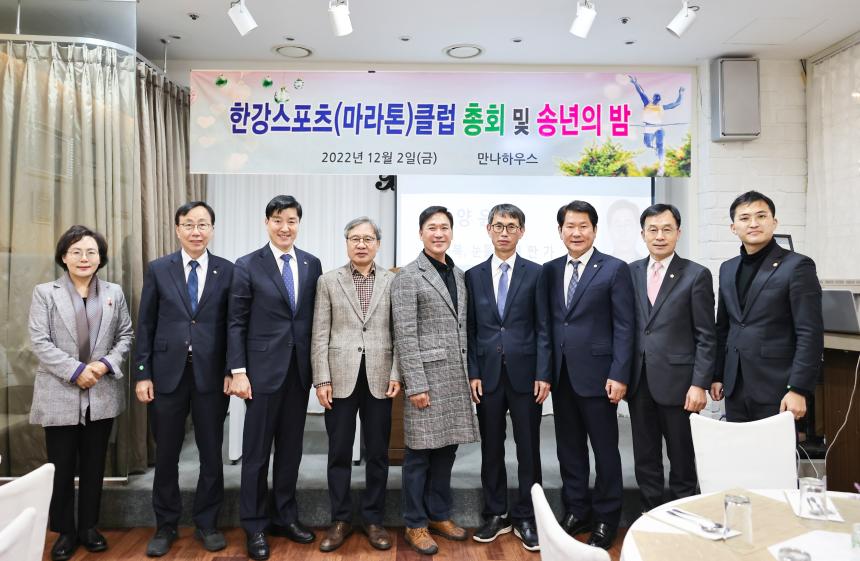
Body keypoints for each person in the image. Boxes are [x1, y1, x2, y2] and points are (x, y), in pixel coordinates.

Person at [134, 202, 234, 556]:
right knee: (167, 455)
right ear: (177, 229)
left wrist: (232, 370)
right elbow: (145, 324)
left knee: (211, 454)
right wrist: (143, 373)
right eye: (189, 224)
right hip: (166, 375)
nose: (196, 231)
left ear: (212, 230)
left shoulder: (228, 271)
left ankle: (207, 523)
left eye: (203, 224)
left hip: (211, 376)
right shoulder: (159, 269)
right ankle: (166, 525)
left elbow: (233, 326)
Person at [28, 225, 133, 561]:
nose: (84, 258)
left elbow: (126, 335)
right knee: (60, 467)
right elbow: (39, 341)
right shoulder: (45, 293)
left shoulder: (114, 292)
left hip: (101, 392)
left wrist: (103, 365)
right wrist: (76, 371)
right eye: (76, 252)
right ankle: (65, 531)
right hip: (60, 391)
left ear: (100, 258)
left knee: (93, 464)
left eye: (91, 252)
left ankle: (88, 527)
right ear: (64, 257)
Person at [228, 195, 323, 561]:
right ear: (267, 223)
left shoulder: (311, 263)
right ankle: (254, 525)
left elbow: (312, 319)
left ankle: (285, 517)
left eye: (292, 220)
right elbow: (236, 322)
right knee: (255, 455)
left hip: (298, 373)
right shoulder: (247, 264)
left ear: (299, 224)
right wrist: (239, 371)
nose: (285, 227)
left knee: (290, 451)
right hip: (261, 374)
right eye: (278, 220)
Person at [539, 200, 634, 550]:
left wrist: (619, 374)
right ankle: (577, 510)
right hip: (563, 376)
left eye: (583, 226)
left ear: (594, 230)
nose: (576, 232)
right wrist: (545, 371)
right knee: (569, 449)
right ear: (560, 230)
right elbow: (549, 325)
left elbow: (625, 326)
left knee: (605, 451)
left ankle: (606, 517)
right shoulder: (550, 270)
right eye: (570, 226)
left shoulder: (614, 268)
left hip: (600, 377)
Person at [391, 205, 480, 556]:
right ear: (421, 233)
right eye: (432, 227)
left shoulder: (459, 274)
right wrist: (416, 384)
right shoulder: (408, 276)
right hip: (426, 380)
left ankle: (439, 513)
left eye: (444, 227)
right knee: (418, 456)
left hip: (455, 378)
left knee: (446, 452)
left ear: (452, 232)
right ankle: (415, 523)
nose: (439, 233)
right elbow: (405, 334)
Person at [311, 217, 401, 552]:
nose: (361, 244)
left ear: (378, 243)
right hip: (340, 378)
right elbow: (319, 333)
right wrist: (321, 378)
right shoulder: (328, 281)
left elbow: (399, 332)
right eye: (355, 239)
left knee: (378, 453)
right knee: (338, 452)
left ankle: (374, 519)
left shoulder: (393, 282)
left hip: (380, 377)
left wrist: (396, 373)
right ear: (347, 242)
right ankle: (340, 519)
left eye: (368, 238)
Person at [466, 203, 550, 551]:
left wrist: (544, 372)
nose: (504, 232)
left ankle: (527, 516)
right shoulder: (473, 275)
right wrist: (472, 371)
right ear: (488, 229)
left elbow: (544, 327)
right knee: (491, 447)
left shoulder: (537, 273)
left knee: (528, 448)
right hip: (487, 376)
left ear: (521, 232)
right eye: (498, 225)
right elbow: (470, 330)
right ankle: (495, 513)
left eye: (511, 226)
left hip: (526, 376)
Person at [628, 204, 716, 510]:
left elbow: (706, 335)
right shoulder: (630, 272)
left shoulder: (696, 275)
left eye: (667, 229)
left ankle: (684, 513)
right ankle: (650, 510)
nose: (660, 236)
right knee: (645, 455)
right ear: (642, 234)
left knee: (681, 455)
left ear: (679, 233)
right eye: (652, 230)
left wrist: (699, 384)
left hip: (680, 383)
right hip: (639, 380)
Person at [711, 191, 823, 422]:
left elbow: (809, 332)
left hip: (777, 386)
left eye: (761, 216)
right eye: (744, 218)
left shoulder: (797, 266)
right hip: (735, 385)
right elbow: (723, 327)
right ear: (733, 227)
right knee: (739, 445)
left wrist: (798, 388)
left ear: (774, 222)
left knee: (775, 447)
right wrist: (718, 375)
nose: (753, 223)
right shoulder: (727, 268)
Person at [628, 74, 685, 176]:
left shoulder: (661, 107)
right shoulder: (647, 103)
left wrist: (681, 94)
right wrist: (635, 83)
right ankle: (654, 147)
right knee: (647, 144)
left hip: (658, 128)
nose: (656, 101)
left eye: (658, 100)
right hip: (649, 128)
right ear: (653, 98)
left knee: (661, 145)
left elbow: (676, 104)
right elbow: (641, 93)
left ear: (659, 100)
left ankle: (661, 166)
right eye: (655, 99)